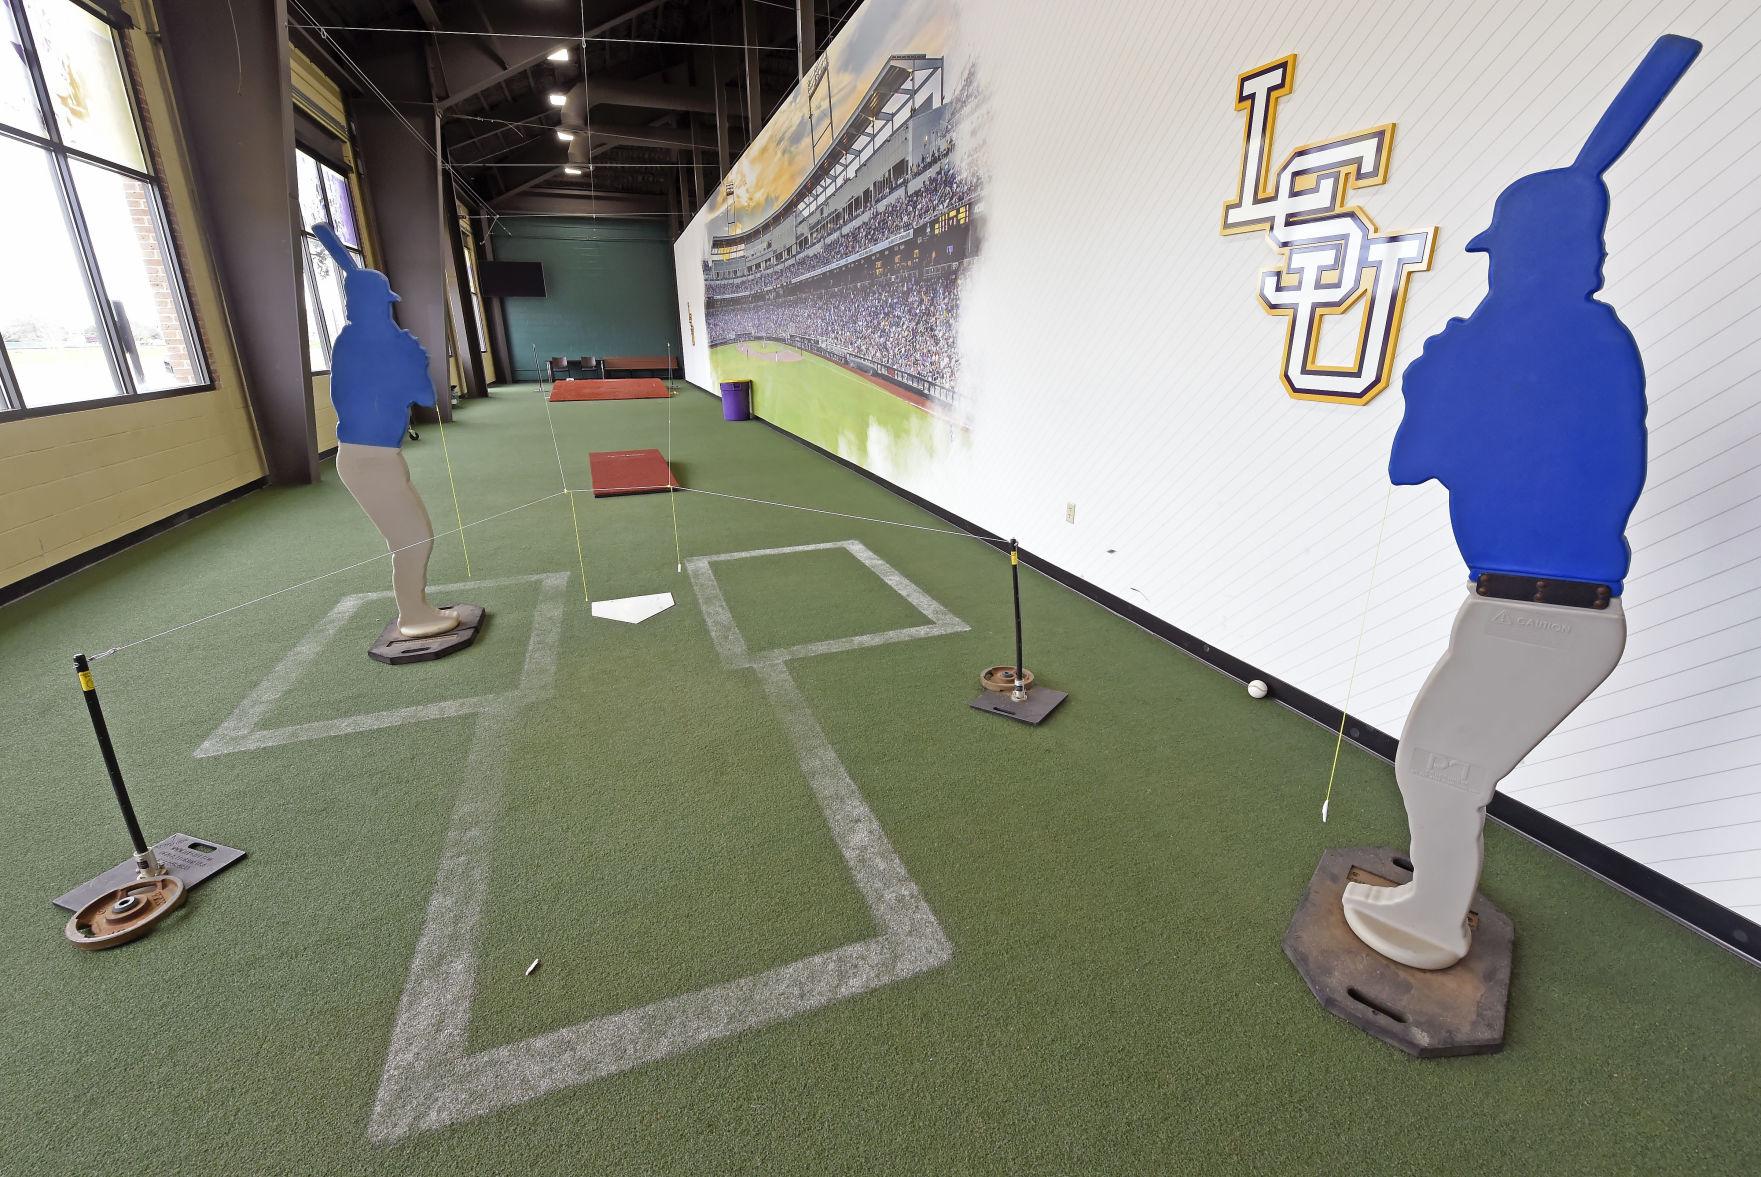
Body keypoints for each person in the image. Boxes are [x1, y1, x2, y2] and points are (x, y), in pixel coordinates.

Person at [1340, 35, 1699, 970]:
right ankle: (1429, 901)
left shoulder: (1577, 343)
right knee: (1431, 762)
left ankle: (1429, 921)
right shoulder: (1528, 344)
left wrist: (1460, 386)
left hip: (1551, 613)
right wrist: (1434, 390)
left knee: (1438, 768)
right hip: (1506, 602)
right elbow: (1411, 463)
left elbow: (1578, 473)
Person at [312, 223, 460, 640]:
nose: (387, 311)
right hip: (366, 460)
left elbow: (425, 397)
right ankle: (412, 615)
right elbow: (405, 392)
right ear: (362, 305)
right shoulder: (357, 344)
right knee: (412, 539)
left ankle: (418, 607)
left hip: (382, 458)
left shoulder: (379, 342)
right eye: (381, 303)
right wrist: (408, 360)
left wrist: (413, 361)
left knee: (418, 536)